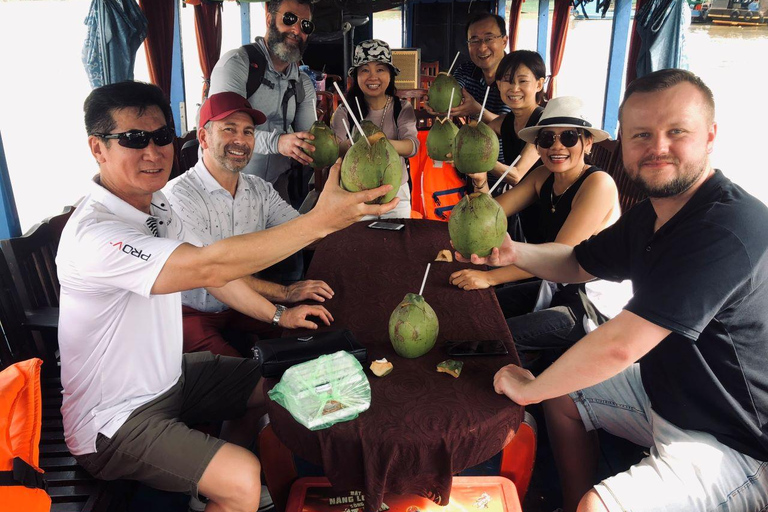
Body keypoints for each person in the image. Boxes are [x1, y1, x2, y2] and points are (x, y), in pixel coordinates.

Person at [57, 80, 397, 512]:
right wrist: (320, 222)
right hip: (113, 421)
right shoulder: (97, 233)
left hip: (170, 379)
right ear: (98, 148)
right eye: (133, 139)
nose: (153, 151)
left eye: (161, 137)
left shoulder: (156, 207)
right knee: (242, 479)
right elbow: (208, 267)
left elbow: (217, 277)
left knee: (280, 379)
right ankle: (227, 486)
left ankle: (208, 483)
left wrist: (279, 315)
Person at [475, 69, 768, 512]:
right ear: (623, 144)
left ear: (710, 136)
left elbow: (621, 346)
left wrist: (528, 388)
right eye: (641, 135)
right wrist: (513, 252)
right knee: (562, 397)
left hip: (733, 435)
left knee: (598, 503)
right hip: (667, 391)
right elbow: (577, 262)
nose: (658, 148)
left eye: (677, 132)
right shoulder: (650, 215)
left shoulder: (727, 228)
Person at [450, 96, 628, 371]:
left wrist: (490, 278)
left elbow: (559, 258)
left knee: (499, 338)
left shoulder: (598, 184)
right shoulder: (543, 176)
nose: (557, 146)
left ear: (588, 143)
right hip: (555, 286)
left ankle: (524, 406)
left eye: (569, 137)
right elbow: (491, 214)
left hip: (589, 303)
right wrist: (480, 181)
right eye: (547, 139)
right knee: (478, 308)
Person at [165, 92, 336, 358]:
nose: (240, 140)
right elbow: (213, 272)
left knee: (313, 342)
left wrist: (337, 208)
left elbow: (305, 234)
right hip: (191, 312)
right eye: (229, 129)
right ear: (203, 137)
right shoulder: (178, 196)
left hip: (243, 305)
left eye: (248, 132)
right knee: (244, 381)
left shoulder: (259, 189)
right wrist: (285, 293)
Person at [209, 0, 317, 200]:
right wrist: (278, 142)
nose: (296, 30)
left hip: (277, 187)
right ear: (269, 19)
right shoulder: (237, 65)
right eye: (289, 19)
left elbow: (311, 137)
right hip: (229, 186)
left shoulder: (302, 83)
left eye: (305, 25)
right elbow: (225, 132)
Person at [330, 39, 419, 219]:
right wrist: (360, 146)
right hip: (355, 195)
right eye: (364, 70)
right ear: (356, 76)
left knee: (396, 245)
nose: (373, 77)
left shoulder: (401, 108)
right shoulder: (345, 111)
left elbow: (412, 146)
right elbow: (334, 151)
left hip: (395, 194)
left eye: (380, 69)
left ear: (390, 74)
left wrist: (379, 143)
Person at [428, 13, 511, 169]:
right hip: (469, 162)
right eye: (474, 40)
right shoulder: (466, 70)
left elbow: (515, 127)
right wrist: (438, 104)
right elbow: (452, 95)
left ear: (504, 41)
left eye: (489, 38)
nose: (482, 47)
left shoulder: (516, 77)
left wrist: (478, 110)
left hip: (505, 168)